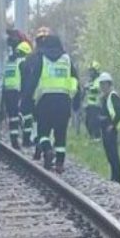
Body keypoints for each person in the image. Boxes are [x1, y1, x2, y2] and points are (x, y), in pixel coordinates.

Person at [20, 27, 80, 172]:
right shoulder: (66, 59)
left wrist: (27, 99)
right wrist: (75, 98)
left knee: (43, 132)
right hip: (64, 100)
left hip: (45, 101)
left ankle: (47, 150)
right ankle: (59, 163)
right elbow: (75, 79)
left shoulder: (41, 57)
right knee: (61, 134)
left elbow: (34, 79)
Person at [97, 72, 120, 184]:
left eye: (104, 84)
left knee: (113, 153)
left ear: (109, 84)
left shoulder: (113, 96)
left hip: (110, 129)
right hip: (105, 128)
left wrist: (113, 125)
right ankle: (113, 176)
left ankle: (118, 178)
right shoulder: (103, 98)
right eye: (101, 84)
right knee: (109, 153)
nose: (102, 86)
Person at [2, 40, 31, 149]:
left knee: (12, 117)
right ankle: (26, 139)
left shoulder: (9, 61)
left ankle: (14, 140)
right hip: (17, 92)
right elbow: (25, 79)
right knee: (25, 115)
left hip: (7, 92)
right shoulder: (22, 62)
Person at [83, 62, 102, 139]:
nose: (90, 73)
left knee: (94, 123)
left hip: (96, 105)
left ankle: (97, 138)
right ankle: (92, 137)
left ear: (96, 71)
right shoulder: (90, 80)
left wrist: (88, 88)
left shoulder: (99, 80)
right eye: (89, 71)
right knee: (87, 123)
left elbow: (97, 89)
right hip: (89, 105)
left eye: (92, 71)